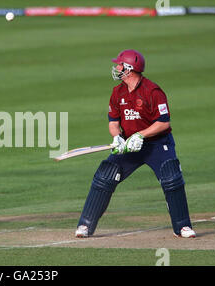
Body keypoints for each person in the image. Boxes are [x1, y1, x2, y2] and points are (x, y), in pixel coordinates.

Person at [75, 49, 196, 238]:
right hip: (129, 147)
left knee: (172, 179)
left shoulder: (153, 91)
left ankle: (182, 226)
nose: (116, 67)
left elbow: (164, 122)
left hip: (157, 145)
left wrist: (140, 135)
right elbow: (113, 122)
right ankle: (85, 225)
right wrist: (117, 138)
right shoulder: (117, 92)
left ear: (129, 68)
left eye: (119, 65)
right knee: (105, 175)